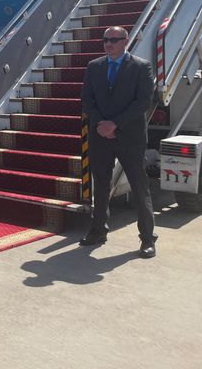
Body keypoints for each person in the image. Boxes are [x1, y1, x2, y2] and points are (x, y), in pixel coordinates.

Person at [80, 26, 157, 257]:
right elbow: (86, 99)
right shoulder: (94, 67)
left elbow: (143, 102)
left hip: (129, 137)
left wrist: (115, 124)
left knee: (139, 186)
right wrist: (102, 124)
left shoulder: (141, 67)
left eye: (114, 40)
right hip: (100, 135)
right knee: (101, 185)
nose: (108, 44)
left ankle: (147, 238)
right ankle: (98, 230)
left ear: (125, 41)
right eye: (105, 40)